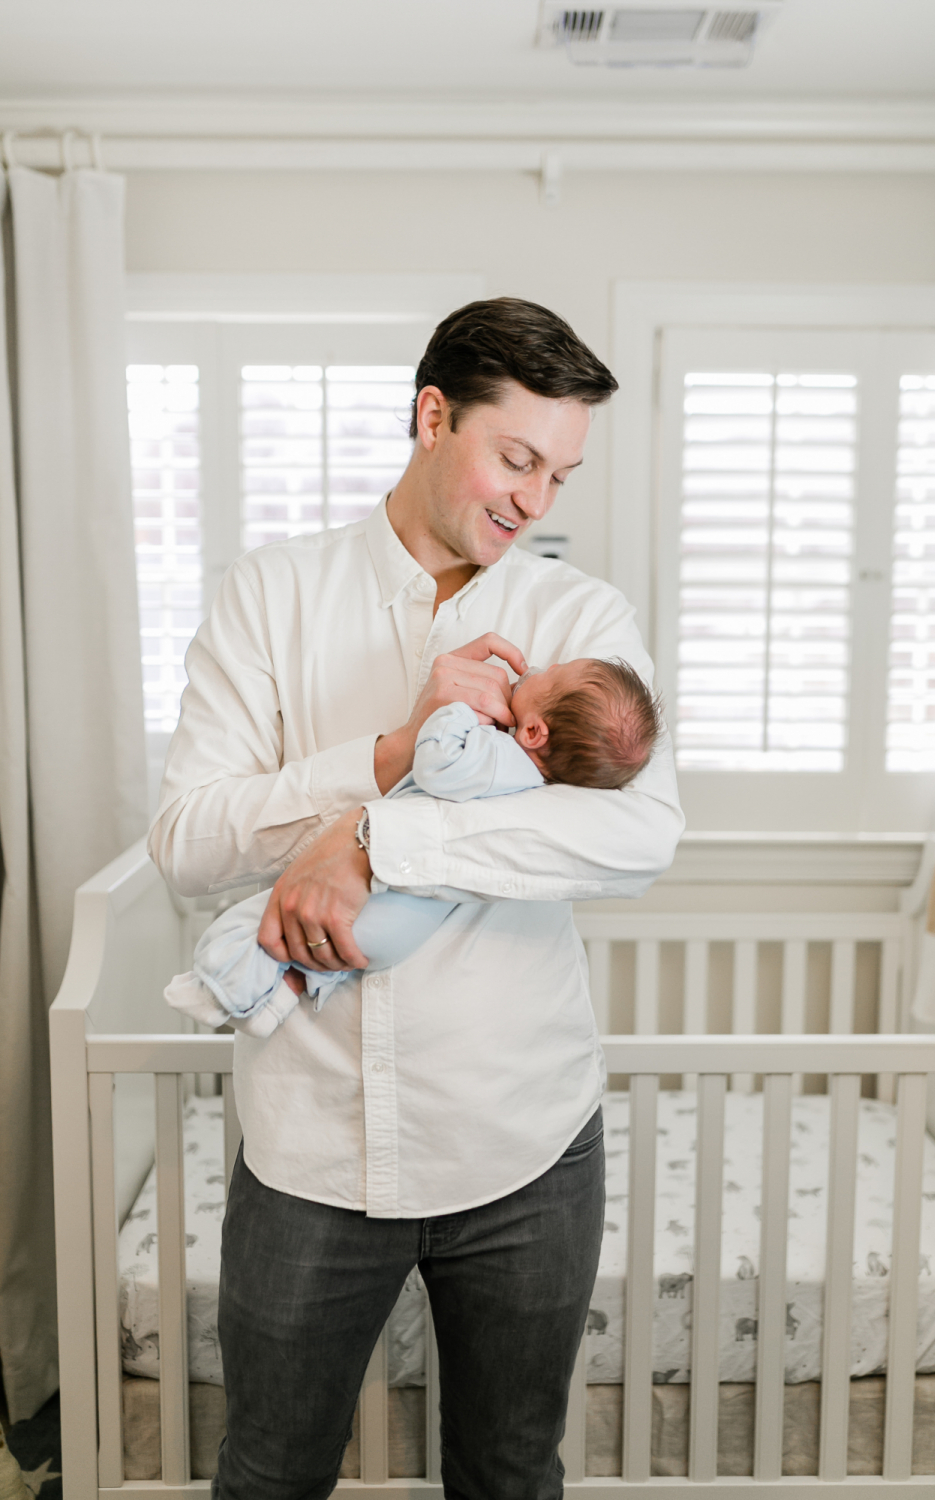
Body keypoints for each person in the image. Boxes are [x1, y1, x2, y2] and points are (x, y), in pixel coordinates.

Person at [148, 296, 685, 1500]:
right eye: (516, 458)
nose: (534, 502)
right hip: (313, 1149)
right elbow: (186, 842)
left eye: (560, 474)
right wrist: (387, 759)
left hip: (525, 1144)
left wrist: (377, 843)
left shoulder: (578, 621)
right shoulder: (268, 597)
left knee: (508, 1473)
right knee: (269, 1472)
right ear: (432, 415)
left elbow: (637, 833)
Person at [163, 658, 662, 1037]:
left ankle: (215, 989)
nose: (534, 667)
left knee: (255, 920)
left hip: (384, 906)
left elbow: (437, 767)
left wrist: (454, 712)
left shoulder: (496, 753)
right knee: (300, 958)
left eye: (548, 673)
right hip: (400, 930)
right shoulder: (533, 784)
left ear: (534, 731)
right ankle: (269, 1005)